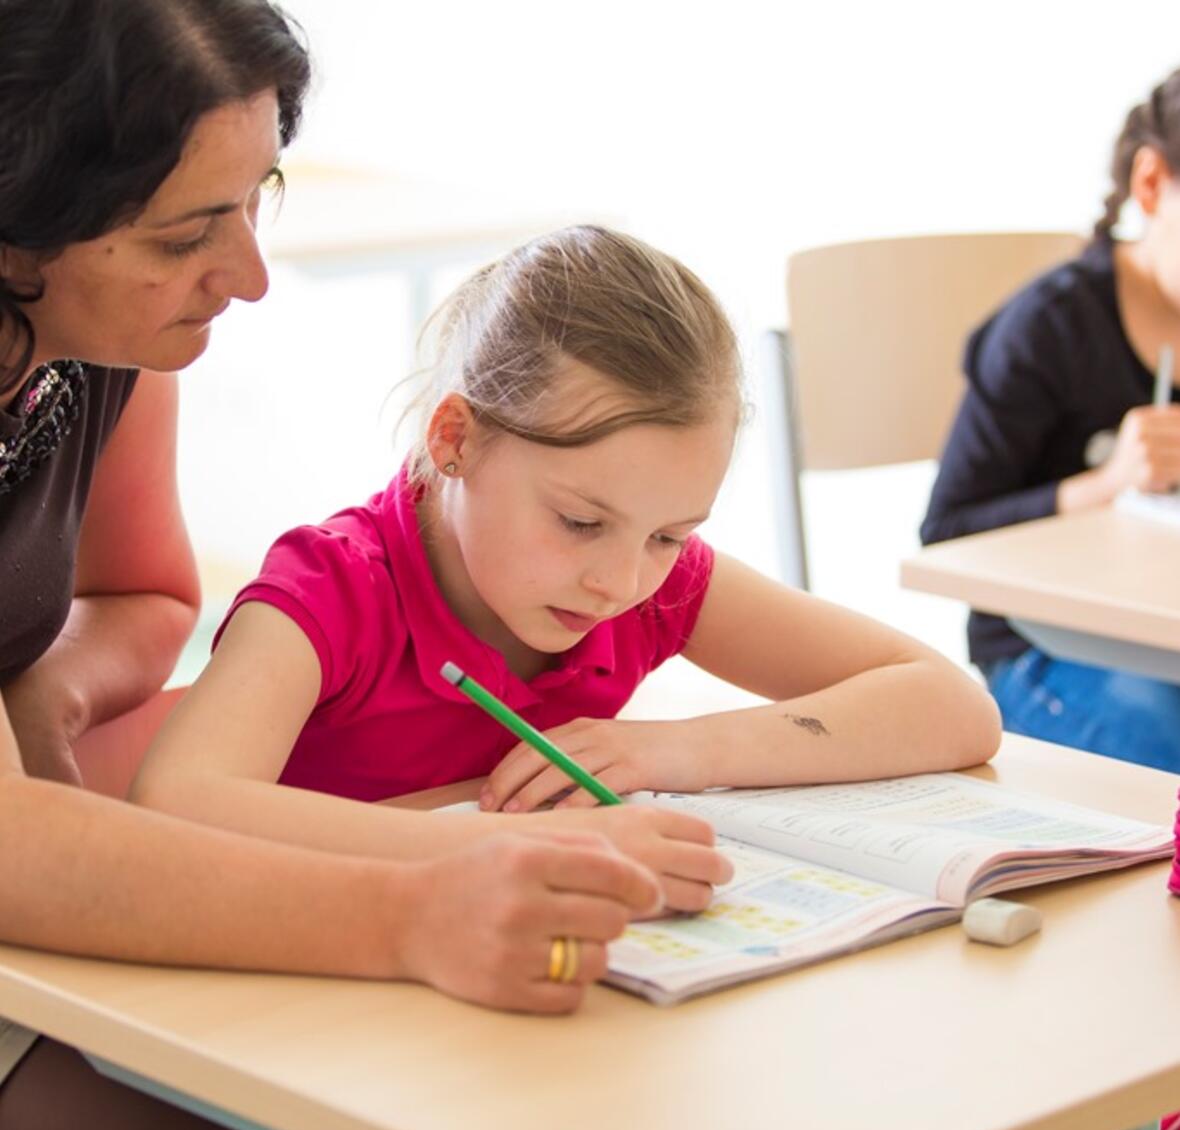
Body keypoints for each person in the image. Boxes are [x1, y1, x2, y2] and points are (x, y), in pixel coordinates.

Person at [0, 4, 712, 1130]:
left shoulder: (98, 345)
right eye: (188, 234)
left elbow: (140, 593)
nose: (249, 274)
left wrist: (43, 685)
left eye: (255, 197)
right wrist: (414, 914)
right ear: (24, 229)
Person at [135, 225, 1001, 834]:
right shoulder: (333, 590)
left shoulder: (650, 587)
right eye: (581, 521)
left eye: (669, 536)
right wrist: (475, 851)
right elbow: (176, 803)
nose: (622, 583)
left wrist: (665, 752)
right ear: (455, 439)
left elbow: (952, 705)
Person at [921, 67, 1180, 774]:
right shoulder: (1049, 329)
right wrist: (1110, 482)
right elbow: (946, 533)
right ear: (1152, 184)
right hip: (1050, 652)